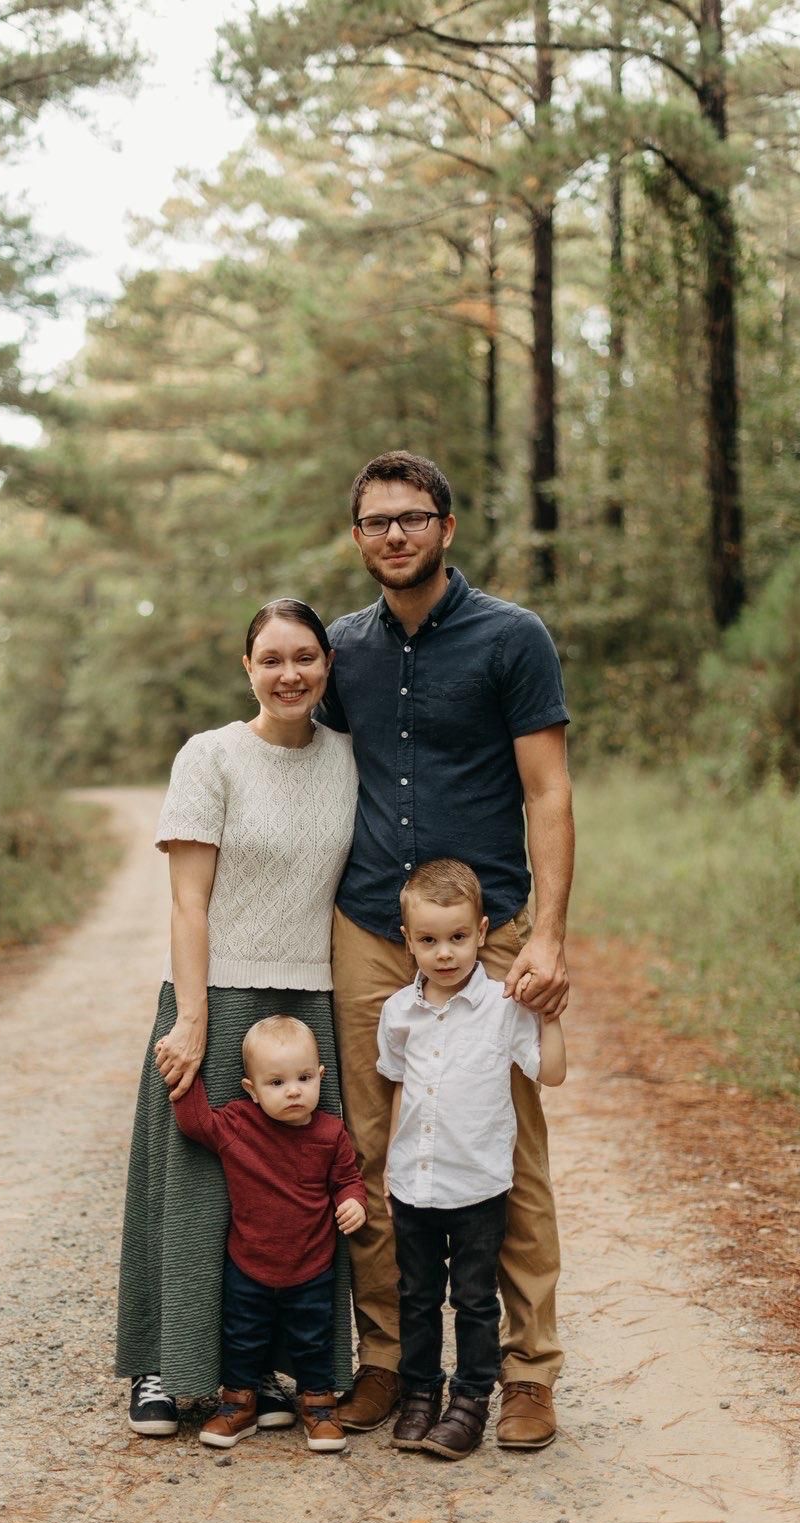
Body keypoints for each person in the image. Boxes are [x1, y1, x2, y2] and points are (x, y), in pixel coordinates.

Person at [319, 450, 574, 1450]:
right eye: (376, 521)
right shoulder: (342, 653)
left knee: (505, 1150)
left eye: (412, 518)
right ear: (356, 538)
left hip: (491, 930)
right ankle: (389, 1360)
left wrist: (545, 938)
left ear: (446, 528)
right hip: (370, 932)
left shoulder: (512, 639)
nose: (394, 535)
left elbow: (547, 793)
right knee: (372, 1151)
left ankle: (527, 1371)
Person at [116, 599, 359, 1437]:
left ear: (328, 664)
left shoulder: (349, 760)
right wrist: (189, 1020)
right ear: (247, 668)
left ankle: (270, 1370)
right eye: (271, 658)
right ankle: (159, 1365)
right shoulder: (210, 756)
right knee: (195, 1182)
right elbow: (189, 902)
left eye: (305, 657)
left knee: (295, 1196)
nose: (289, 673)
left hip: (308, 1002)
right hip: (214, 994)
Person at [379, 860, 566, 1461]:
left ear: (482, 931)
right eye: (428, 940)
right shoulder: (397, 1014)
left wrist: (550, 1018)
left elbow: (552, 1073)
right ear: (406, 940)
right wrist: (392, 1165)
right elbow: (398, 1088)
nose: (444, 954)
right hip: (415, 1186)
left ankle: (470, 1401)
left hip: (479, 1189)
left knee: (476, 1300)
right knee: (418, 1295)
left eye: (458, 937)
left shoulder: (503, 1007)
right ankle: (419, 1395)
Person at [172, 1015, 367, 1453]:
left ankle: (318, 1407)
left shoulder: (331, 1132)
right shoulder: (240, 1124)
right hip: (249, 1262)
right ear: (252, 1090)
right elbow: (196, 1123)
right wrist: (185, 1073)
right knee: (242, 1336)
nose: (293, 1090)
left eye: (302, 1078)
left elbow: (348, 1180)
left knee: (312, 1338)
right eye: (276, 1083)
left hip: (312, 1264)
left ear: (320, 1077)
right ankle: (238, 1406)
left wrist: (353, 1202)